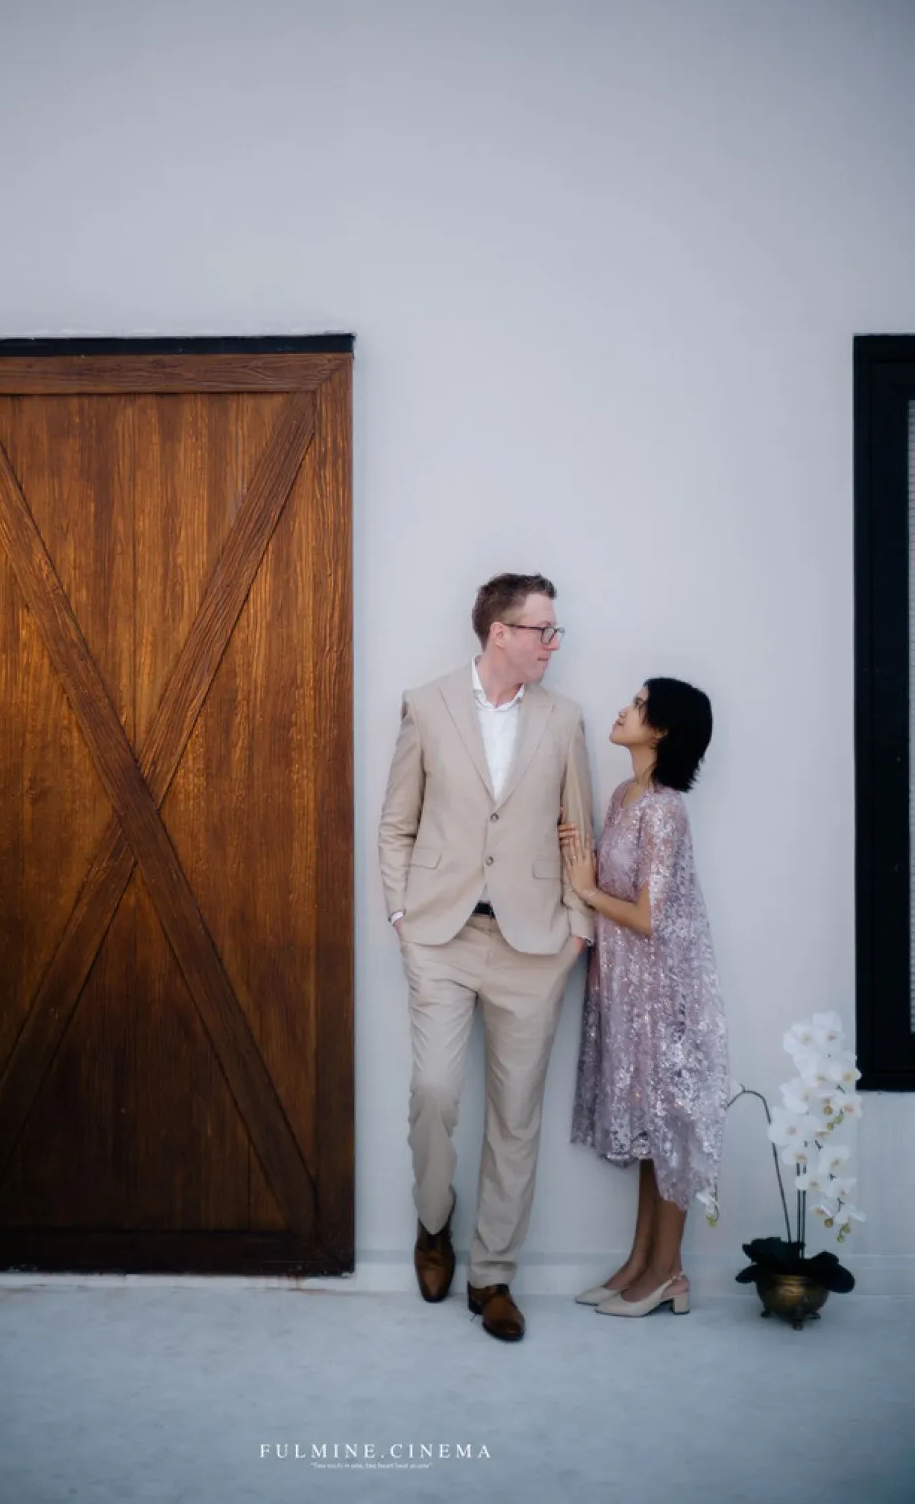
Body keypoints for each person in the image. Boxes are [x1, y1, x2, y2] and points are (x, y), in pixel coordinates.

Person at [378, 573, 594, 1342]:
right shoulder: (426, 704)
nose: (553, 643)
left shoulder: (564, 719)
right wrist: (402, 914)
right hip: (441, 936)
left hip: (534, 945)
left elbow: (578, 831)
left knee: (516, 1115)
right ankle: (434, 1223)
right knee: (435, 1091)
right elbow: (396, 822)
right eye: (543, 629)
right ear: (500, 632)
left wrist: (576, 932)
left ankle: (493, 1276)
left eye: (554, 631)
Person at [560, 678, 727, 1318]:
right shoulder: (625, 796)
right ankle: (641, 1263)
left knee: (671, 1129)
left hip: (663, 991)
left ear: (660, 729)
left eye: (637, 704)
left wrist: (586, 890)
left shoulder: (665, 810)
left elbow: (649, 917)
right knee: (652, 1132)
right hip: (626, 988)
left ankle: (668, 1273)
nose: (623, 709)